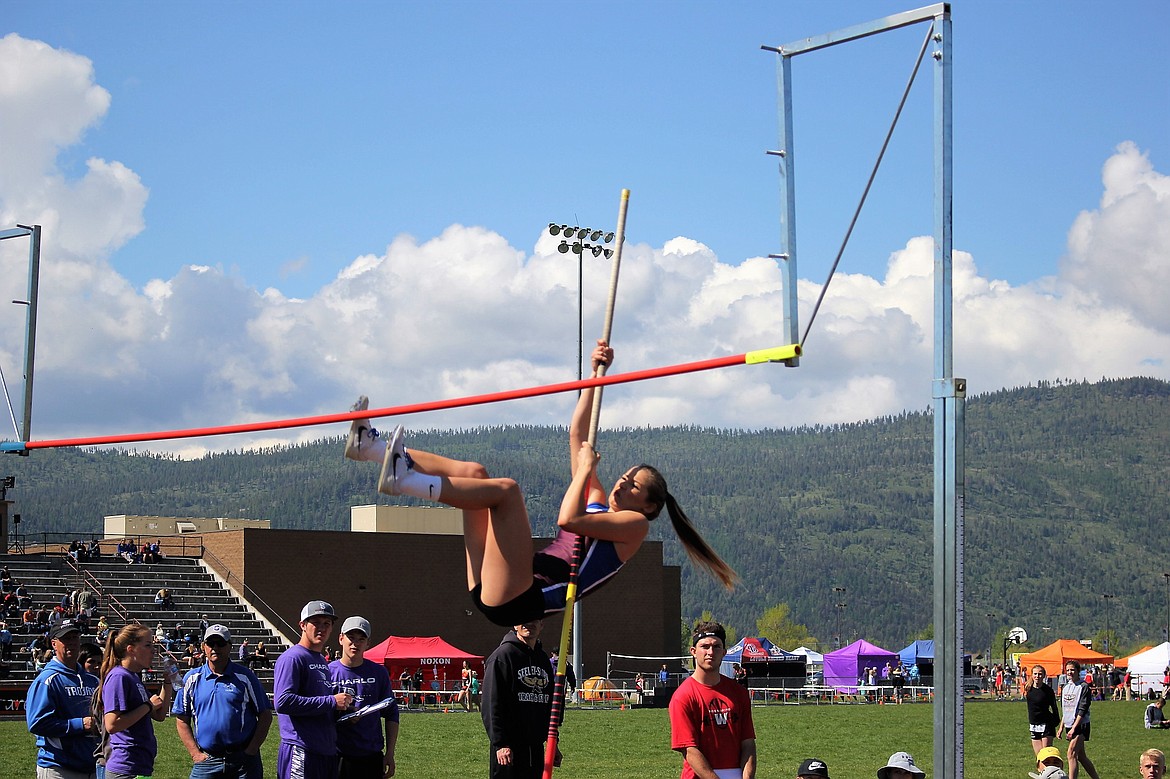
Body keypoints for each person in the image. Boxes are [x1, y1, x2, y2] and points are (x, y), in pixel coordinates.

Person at [344, 340, 738, 627]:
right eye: (624, 475)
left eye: (634, 485)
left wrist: (584, 471)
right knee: (476, 474)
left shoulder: (635, 528)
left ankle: (405, 481)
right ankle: (372, 448)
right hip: (498, 583)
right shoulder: (601, 501)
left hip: (520, 598)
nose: (622, 482)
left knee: (507, 492)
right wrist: (596, 375)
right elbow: (576, 432)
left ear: (649, 506)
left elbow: (568, 520)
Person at [172, 624, 273, 779]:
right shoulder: (191, 678)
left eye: (221, 643)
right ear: (203, 647)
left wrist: (251, 749)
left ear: (229, 646)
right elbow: (181, 719)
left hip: (243, 761)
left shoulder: (245, 677)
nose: (215, 648)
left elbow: (265, 714)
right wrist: (195, 753)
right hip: (207, 759)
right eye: (210, 643)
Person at [274, 600, 353, 779]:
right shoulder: (293, 658)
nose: (322, 628)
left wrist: (341, 711)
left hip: (325, 750)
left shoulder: (320, 660)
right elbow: (282, 702)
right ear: (302, 625)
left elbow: (318, 705)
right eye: (316, 622)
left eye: (327, 623)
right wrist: (332, 701)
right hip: (301, 748)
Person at [669, 621, 756, 779]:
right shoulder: (682, 697)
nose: (710, 652)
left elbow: (748, 744)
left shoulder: (739, 693)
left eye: (716, 647)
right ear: (693, 651)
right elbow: (689, 750)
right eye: (705, 646)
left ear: (724, 652)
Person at [95, 623, 175, 779]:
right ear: (130, 649)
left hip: (138, 767)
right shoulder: (119, 677)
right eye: (147, 645)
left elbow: (159, 714)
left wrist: (167, 682)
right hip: (125, 769)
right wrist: (148, 705)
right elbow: (112, 724)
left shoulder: (133, 677)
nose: (153, 650)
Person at [481, 619, 558, 778]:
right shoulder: (502, 657)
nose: (529, 623)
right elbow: (491, 704)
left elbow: (550, 705)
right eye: (523, 618)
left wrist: (553, 742)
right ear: (515, 624)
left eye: (534, 619)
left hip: (535, 749)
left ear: (541, 625)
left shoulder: (543, 659)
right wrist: (501, 743)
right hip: (509, 751)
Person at [26, 619, 100, 779]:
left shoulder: (93, 680)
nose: (72, 643)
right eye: (66, 638)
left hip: (91, 766)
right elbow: (37, 723)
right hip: (59, 767)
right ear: (54, 644)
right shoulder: (47, 680)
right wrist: (81, 724)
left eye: (75, 637)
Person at [329, 616, 399, 779]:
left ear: (368, 643)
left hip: (371, 755)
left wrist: (389, 753)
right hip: (337, 755)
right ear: (341, 639)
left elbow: (391, 714)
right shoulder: (328, 672)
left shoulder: (378, 673)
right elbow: (318, 712)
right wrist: (341, 714)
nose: (355, 643)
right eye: (351, 638)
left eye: (361, 639)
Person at [1057, 660, 1101, 779]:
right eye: (1068, 670)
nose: (1070, 672)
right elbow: (1065, 709)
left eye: (1072, 670)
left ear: (1077, 671)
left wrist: (1074, 728)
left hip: (1081, 725)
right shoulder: (1066, 687)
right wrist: (1061, 727)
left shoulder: (1084, 686)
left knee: (1071, 753)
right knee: (1081, 756)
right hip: (1069, 724)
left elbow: (1083, 708)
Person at [1027, 665, 1061, 753]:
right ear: (1032, 675)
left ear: (1044, 675)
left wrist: (1056, 722)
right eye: (1035, 674)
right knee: (1039, 756)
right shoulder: (1029, 689)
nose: (1037, 676)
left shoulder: (1048, 690)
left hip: (1046, 724)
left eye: (1040, 674)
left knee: (1046, 754)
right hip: (1034, 724)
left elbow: (1054, 707)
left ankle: (1050, 767)